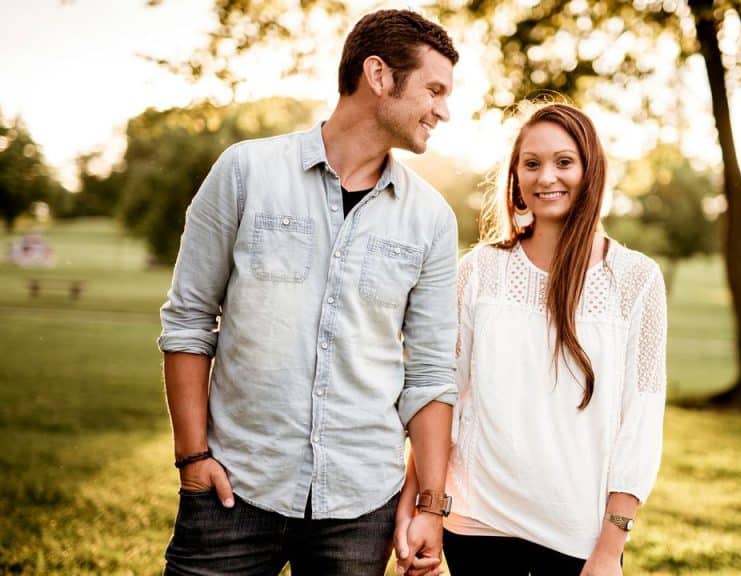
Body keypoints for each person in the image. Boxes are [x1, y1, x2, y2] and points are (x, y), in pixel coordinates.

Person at [158, 9, 459, 575]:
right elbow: (189, 322)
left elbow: (431, 374)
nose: (444, 110)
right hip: (234, 489)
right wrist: (193, 457)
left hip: (360, 503)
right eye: (434, 89)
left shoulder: (432, 220)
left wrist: (430, 506)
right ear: (378, 75)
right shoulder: (246, 172)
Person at [437, 102, 668, 575]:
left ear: (590, 170)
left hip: (578, 536)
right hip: (476, 522)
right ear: (516, 177)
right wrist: (423, 506)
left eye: (564, 162)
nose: (547, 177)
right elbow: (442, 396)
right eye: (532, 163)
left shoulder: (636, 280)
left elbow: (641, 420)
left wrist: (610, 546)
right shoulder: (478, 271)